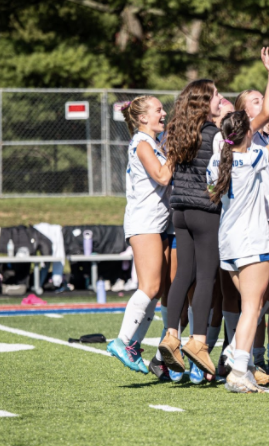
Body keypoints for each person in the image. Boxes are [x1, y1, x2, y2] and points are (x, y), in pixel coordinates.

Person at [207, 81, 269, 393]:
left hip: (227, 242)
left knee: (249, 307)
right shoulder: (252, 157)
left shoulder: (218, 159)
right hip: (252, 241)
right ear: (246, 133)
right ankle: (239, 369)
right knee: (253, 308)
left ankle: (236, 354)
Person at [158, 79, 223, 377]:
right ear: (203, 101)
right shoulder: (213, 134)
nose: (220, 98)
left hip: (179, 212)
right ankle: (198, 341)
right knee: (207, 278)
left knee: (184, 274)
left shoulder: (176, 132)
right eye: (215, 95)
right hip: (204, 211)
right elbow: (221, 175)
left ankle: (171, 336)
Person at [107, 96, 172, 374]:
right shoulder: (143, 143)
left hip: (157, 222)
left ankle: (134, 346)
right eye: (158, 110)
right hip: (144, 222)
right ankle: (122, 341)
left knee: (157, 290)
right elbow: (162, 176)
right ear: (143, 118)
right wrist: (178, 151)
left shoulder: (153, 142)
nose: (164, 113)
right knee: (149, 286)